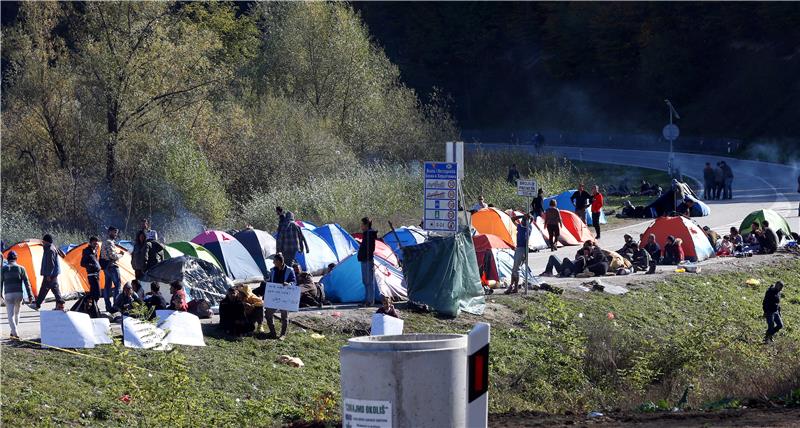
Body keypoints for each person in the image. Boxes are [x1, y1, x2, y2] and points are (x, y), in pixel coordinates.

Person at [1, 251, 34, 339]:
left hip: (8, 294)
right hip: (19, 294)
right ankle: (13, 332)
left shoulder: (3, 269)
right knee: (17, 313)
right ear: (16, 258)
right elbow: (27, 282)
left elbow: (0, 282)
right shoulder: (21, 268)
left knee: (10, 315)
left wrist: (0, 294)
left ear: (7, 259)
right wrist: (30, 295)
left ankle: (15, 333)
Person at [264, 253, 296, 339]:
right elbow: (270, 280)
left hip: (284, 296)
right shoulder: (273, 270)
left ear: (279, 261)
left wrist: (289, 284)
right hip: (274, 295)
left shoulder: (290, 270)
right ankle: (272, 332)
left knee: (284, 316)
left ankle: (283, 334)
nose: (273, 262)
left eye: (274, 261)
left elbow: (294, 282)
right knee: (268, 313)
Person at [34, 234, 65, 310]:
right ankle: (60, 304)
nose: (42, 242)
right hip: (53, 273)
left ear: (46, 241)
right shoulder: (51, 247)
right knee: (54, 289)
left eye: (43, 241)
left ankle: (37, 304)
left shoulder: (50, 250)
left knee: (44, 289)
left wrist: (48, 275)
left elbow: (51, 264)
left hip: (50, 274)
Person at [100, 227, 124, 313]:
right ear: (109, 232)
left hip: (106, 267)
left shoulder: (103, 242)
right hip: (112, 266)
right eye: (114, 232)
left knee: (107, 286)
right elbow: (113, 256)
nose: (115, 234)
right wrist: (121, 255)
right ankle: (115, 306)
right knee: (117, 286)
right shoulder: (109, 242)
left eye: (116, 232)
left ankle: (108, 306)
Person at [507, 213, 532, 294]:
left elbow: (513, 219)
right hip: (522, 249)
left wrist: (524, 217)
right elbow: (513, 219)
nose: (522, 221)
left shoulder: (524, 228)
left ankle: (515, 287)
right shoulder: (525, 227)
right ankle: (513, 286)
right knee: (515, 268)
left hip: (521, 249)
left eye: (523, 220)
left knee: (516, 269)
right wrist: (525, 217)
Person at [358, 217, 378, 306]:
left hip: (368, 260)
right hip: (364, 259)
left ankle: (370, 301)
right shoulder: (366, 234)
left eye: (362, 224)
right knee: (365, 281)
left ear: (366, 225)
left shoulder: (369, 234)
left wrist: (366, 256)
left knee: (369, 281)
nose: (361, 226)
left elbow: (369, 248)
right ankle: (366, 299)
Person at [80, 236, 102, 304]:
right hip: (92, 275)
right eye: (94, 243)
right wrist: (91, 266)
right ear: (90, 243)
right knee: (97, 293)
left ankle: (92, 306)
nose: (95, 245)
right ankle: (91, 306)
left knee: (94, 293)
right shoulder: (87, 251)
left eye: (96, 243)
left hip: (96, 274)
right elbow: (82, 263)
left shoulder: (94, 251)